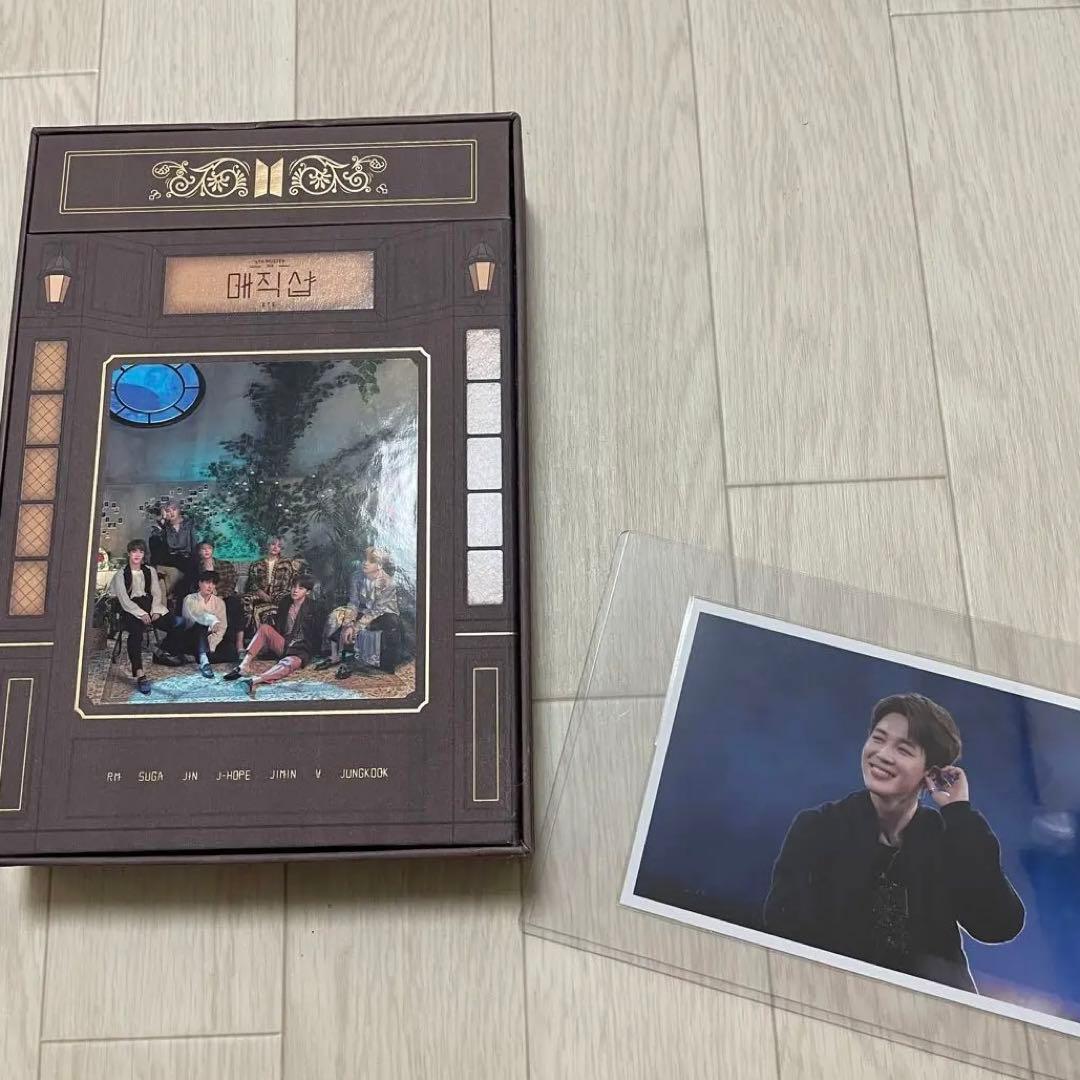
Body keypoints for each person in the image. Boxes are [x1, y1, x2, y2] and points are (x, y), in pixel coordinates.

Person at [763, 693, 1025, 992]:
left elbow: (997, 925)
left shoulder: (947, 837)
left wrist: (958, 812)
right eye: (878, 739)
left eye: (903, 749)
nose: (883, 754)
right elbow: (783, 927)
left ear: (931, 773)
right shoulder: (818, 827)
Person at [225, 575, 320, 697]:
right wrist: (269, 642)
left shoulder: (314, 607)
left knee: (289, 663)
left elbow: (315, 635)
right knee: (264, 628)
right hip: (284, 643)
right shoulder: (286, 602)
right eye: (293, 587)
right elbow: (279, 626)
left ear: (307, 592)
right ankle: (244, 666)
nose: (295, 590)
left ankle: (254, 681)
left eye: (300, 588)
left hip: (300, 649)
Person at [316, 547, 403, 677]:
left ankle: (376, 663)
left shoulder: (388, 583)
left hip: (384, 613)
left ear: (379, 565)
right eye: (364, 559)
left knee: (386, 624)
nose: (365, 563)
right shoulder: (356, 577)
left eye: (371, 561)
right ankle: (336, 656)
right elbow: (353, 602)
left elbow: (377, 610)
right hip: (364, 610)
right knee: (341, 621)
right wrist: (349, 623)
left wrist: (355, 627)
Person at [106, 539, 177, 694]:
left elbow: (156, 592)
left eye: (141, 551)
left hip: (149, 604)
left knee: (175, 623)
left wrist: (155, 610)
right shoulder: (121, 574)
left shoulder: (150, 570)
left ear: (144, 554)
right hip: (130, 608)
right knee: (136, 634)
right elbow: (124, 599)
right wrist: (141, 614)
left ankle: (161, 652)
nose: (137, 554)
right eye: (134, 551)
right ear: (129, 553)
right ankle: (139, 673)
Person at [162, 570, 229, 677]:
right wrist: (213, 622)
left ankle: (197, 655)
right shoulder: (190, 599)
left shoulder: (219, 603)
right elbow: (197, 616)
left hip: (208, 638)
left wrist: (211, 644)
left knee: (231, 651)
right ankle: (204, 660)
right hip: (190, 636)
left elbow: (222, 627)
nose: (210, 586)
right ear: (200, 583)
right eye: (207, 582)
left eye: (213, 583)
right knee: (201, 624)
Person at [241, 536, 305, 637]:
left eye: (279, 546)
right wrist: (260, 592)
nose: (275, 547)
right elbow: (252, 582)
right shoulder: (257, 564)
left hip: (280, 594)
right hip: (260, 594)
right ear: (268, 545)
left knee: (285, 600)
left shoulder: (287, 563)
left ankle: (282, 634)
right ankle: (249, 633)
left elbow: (294, 581)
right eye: (273, 544)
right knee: (245, 599)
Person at [193, 540, 244, 656]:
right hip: (206, 598)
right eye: (203, 549)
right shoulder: (196, 568)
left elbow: (231, 582)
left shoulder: (225, 565)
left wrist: (222, 595)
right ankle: (211, 646)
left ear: (213, 550)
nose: (206, 551)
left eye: (209, 548)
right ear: (199, 552)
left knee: (235, 603)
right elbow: (194, 586)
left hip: (224, 595)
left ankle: (239, 644)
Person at [148, 500, 197, 604]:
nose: (171, 513)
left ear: (179, 510)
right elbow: (155, 543)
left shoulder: (189, 524)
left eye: (174, 509)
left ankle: (174, 597)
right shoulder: (165, 527)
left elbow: (194, 545)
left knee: (191, 567)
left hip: (186, 558)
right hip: (171, 558)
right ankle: (157, 571)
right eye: (168, 511)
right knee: (154, 539)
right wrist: (162, 521)